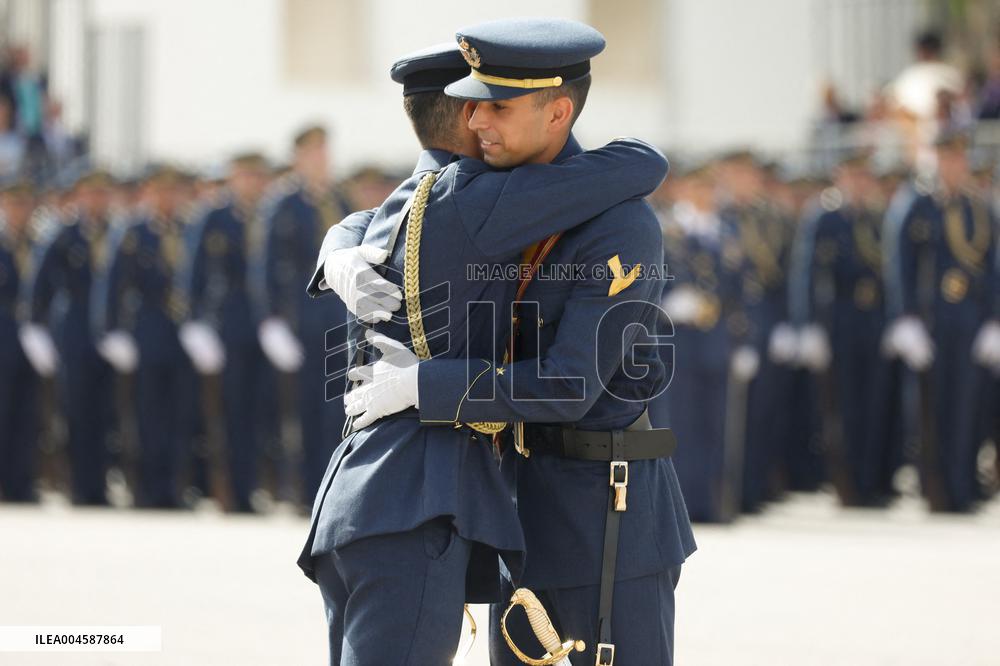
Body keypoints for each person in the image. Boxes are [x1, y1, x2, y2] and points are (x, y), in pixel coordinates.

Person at [301, 35, 671, 665]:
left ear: (556, 112)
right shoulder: (487, 192)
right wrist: (338, 246)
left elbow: (570, 384)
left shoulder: (619, 223)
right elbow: (414, 196)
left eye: (496, 107)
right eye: (471, 105)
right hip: (507, 509)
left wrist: (429, 385)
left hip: (599, 519)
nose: (474, 120)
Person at [884, 130, 999, 512]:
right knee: (929, 410)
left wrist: (993, 320)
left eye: (959, 159)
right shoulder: (917, 204)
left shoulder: (978, 208)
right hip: (929, 322)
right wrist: (905, 319)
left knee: (968, 407)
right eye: (946, 158)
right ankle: (934, 487)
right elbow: (900, 263)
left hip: (968, 323)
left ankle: (962, 485)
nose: (953, 166)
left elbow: (992, 267)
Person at [791, 152, 900, 506]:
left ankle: (870, 482)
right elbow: (807, 272)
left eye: (864, 177)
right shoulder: (825, 217)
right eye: (853, 176)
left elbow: (888, 273)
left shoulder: (874, 216)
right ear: (840, 176)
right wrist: (808, 325)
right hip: (839, 319)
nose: (859, 184)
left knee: (874, 404)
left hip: (872, 320)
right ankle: (848, 485)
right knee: (843, 407)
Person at [650, 162, 751, 523]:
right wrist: (667, 300)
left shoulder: (726, 231)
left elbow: (740, 291)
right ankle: (681, 506)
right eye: (696, 187)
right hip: (679, 339)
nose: (703, 195)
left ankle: (712, 502)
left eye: (709, 187)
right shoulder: (666, 229)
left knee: (716, 424)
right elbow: (649, 279)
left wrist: (742, 341)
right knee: (679, 424)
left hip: (716, 338)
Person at [258, 126, 352, 508]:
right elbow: (265, 266)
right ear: (299, 157)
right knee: (302, 413)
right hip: (300, 322)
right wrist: (270, 320)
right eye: (314, 153)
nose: (322, 160)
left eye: (324, 152)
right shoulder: (282, 203)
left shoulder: (338, 199)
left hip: (338, 321)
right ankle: (301, 489)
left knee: (335, 411)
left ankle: (330, 489)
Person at [97, 166, 195, 509]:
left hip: (180, 333)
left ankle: (172, 488)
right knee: (146, 416)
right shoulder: (133, 230)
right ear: (148, 193)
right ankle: (147, 490)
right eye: (160, 191)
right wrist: (110, 331)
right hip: (147, 332)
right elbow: (111, 284)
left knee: (178, 414)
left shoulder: (185, 228)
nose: (167, 198)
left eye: (173, 191)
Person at [182, 152, 271, 512]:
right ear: (233, 178)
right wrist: (194, 322)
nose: (251, 183)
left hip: (260, 326)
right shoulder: (213, 217)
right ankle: (228, 491)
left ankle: (249, 489)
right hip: (226, 327)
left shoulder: (267, 215)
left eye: (257, 176)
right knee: (228, 414)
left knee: (257, 412)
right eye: (245, 176)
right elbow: (194, 274)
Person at [22, 170, 117, 505]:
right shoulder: (62, 234)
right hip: (73, 331)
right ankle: (76, 484)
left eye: (103, 194)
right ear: (79, 197)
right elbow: (40, 284)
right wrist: (35, 328)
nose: (97, 201)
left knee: (105, 414)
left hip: (106, 335)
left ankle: (99, 485)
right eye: (91, 194)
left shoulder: (115, 232)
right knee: (74, 412)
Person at [715, 149, 796, 512]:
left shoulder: (773, 218)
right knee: (732, 415)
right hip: (734, 321)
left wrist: (787, 323)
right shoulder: (720, 218)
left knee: (766, 409)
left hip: (767, 318)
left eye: (748, 175)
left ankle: (758, 486)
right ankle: (733, 491)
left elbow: (786, 273)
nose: (743, 182)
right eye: (736, 175)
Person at [0, 181, 40, 501]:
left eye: (25, 203)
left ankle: (20, 483)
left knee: (28, 413)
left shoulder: (39, 240)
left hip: (32, 339)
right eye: (14, 203)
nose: (20, 210)